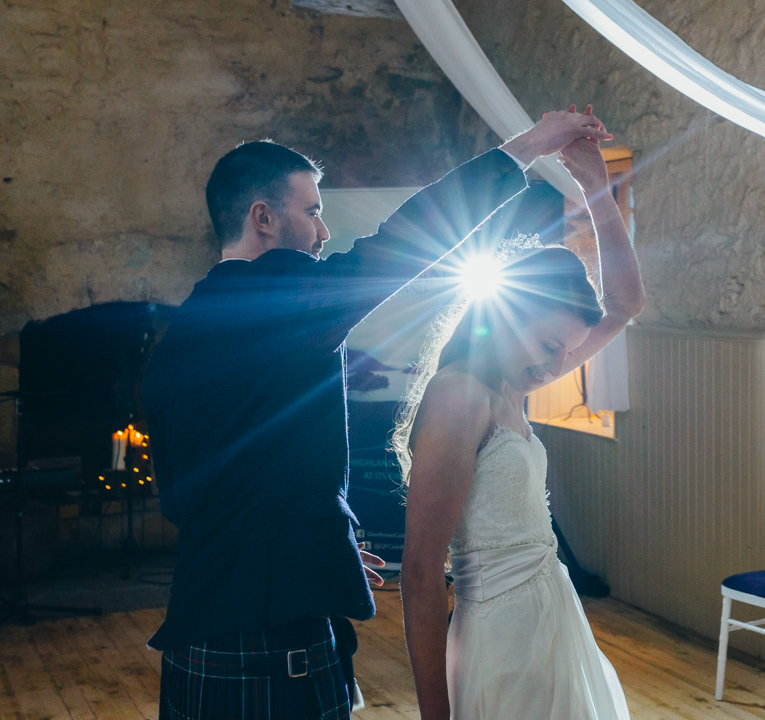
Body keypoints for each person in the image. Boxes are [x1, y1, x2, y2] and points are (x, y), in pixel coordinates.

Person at [142, 108, 611, 719]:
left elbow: (184, 503)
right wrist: (527, 147)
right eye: (310, 211)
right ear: (263, 218)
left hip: (200, 637)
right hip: (270, 648)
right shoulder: (281, 301)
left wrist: (317, 539)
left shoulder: (179, 334)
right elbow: (401, 245)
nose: (322, 232)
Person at [395, 109, 645, 720]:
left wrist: (597, 190)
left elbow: (626, 303)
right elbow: (422, 572)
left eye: (566, 350)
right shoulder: (459, 395)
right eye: (548, 344)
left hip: (554, 623)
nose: (557, 363)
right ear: (507, 317)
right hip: (503, 641)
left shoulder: (511, 383)